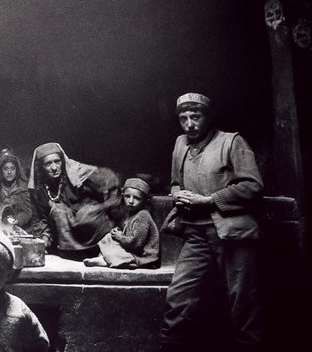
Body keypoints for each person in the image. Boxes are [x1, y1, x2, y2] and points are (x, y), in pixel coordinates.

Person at [160, 93, 264, 352]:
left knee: (242, 302)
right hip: (196, 234)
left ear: (208, 117)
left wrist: (209, 201)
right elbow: (174, 183)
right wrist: (177, 195)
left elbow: (252, 186)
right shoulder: (180, 144)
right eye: (183, 118)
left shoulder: (231, 141)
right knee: (178, 297)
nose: (189, 124)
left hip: (232, 233)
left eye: (196, 117)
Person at [29, 142, 121, 260]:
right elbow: (44, 220)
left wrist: (104, 206)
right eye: (48, 164)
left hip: (90, 224)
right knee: (57, 210)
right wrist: (45, 239)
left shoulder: (76, 173)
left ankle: (98, 249)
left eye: (57, 161)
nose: (54, 168)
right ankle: (70, 253)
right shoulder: (40, 190)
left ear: (62, 162)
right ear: (41, 167)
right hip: (66, 233)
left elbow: (111, 179)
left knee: (87, 215)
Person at [0, 150, 51, 245]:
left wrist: (16, 221)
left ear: (16, 171)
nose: (9, 172)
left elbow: (27, 212)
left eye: (12, 168)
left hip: (21, 226)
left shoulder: (23, 187)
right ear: (1, 171)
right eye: (5, 169)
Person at [84, 178, 160, 269]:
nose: (131, 201)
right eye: (127, 196)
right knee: (108, 237)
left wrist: (119, 236)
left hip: (142, 255)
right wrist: (118, 232)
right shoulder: (131, 212)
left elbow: (136, 244)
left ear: (144, 200)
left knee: (117, 249)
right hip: (131, 248)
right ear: (123, 196)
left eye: (137, 198)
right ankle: (105, 258)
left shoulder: (143, 216)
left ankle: (107, 260)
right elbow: (129, 232)